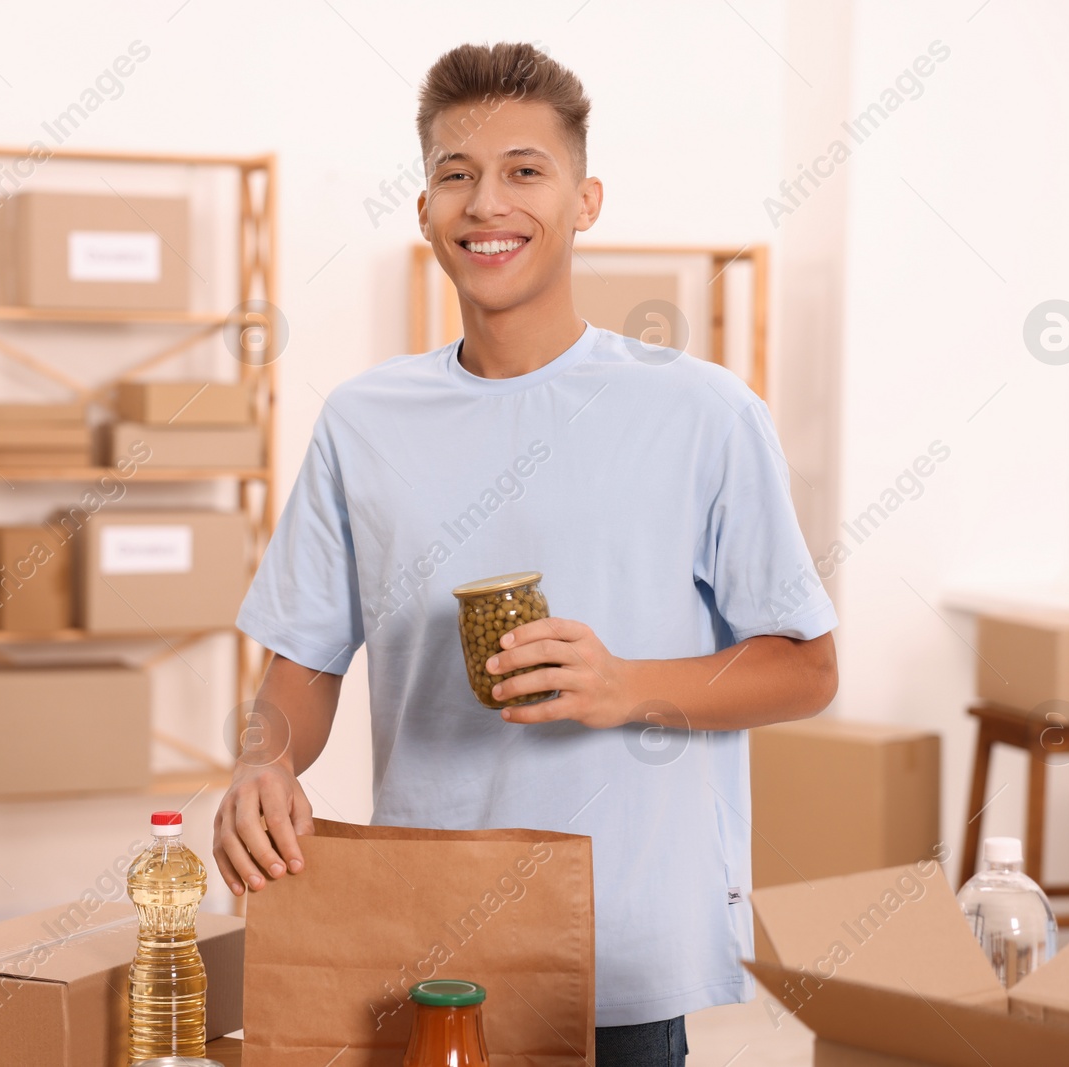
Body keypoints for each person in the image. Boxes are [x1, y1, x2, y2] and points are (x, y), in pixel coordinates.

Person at [213, 40, 839, 1067]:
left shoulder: (702, 412)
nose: (485, 203)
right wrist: (260, 761)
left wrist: (625, 684)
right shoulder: (364, 421)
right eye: (454, 174)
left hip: (616, 949)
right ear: (423, 210)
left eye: (524, 171)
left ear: (585, 199)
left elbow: (805, 668)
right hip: (418, 936)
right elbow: (302, 664)